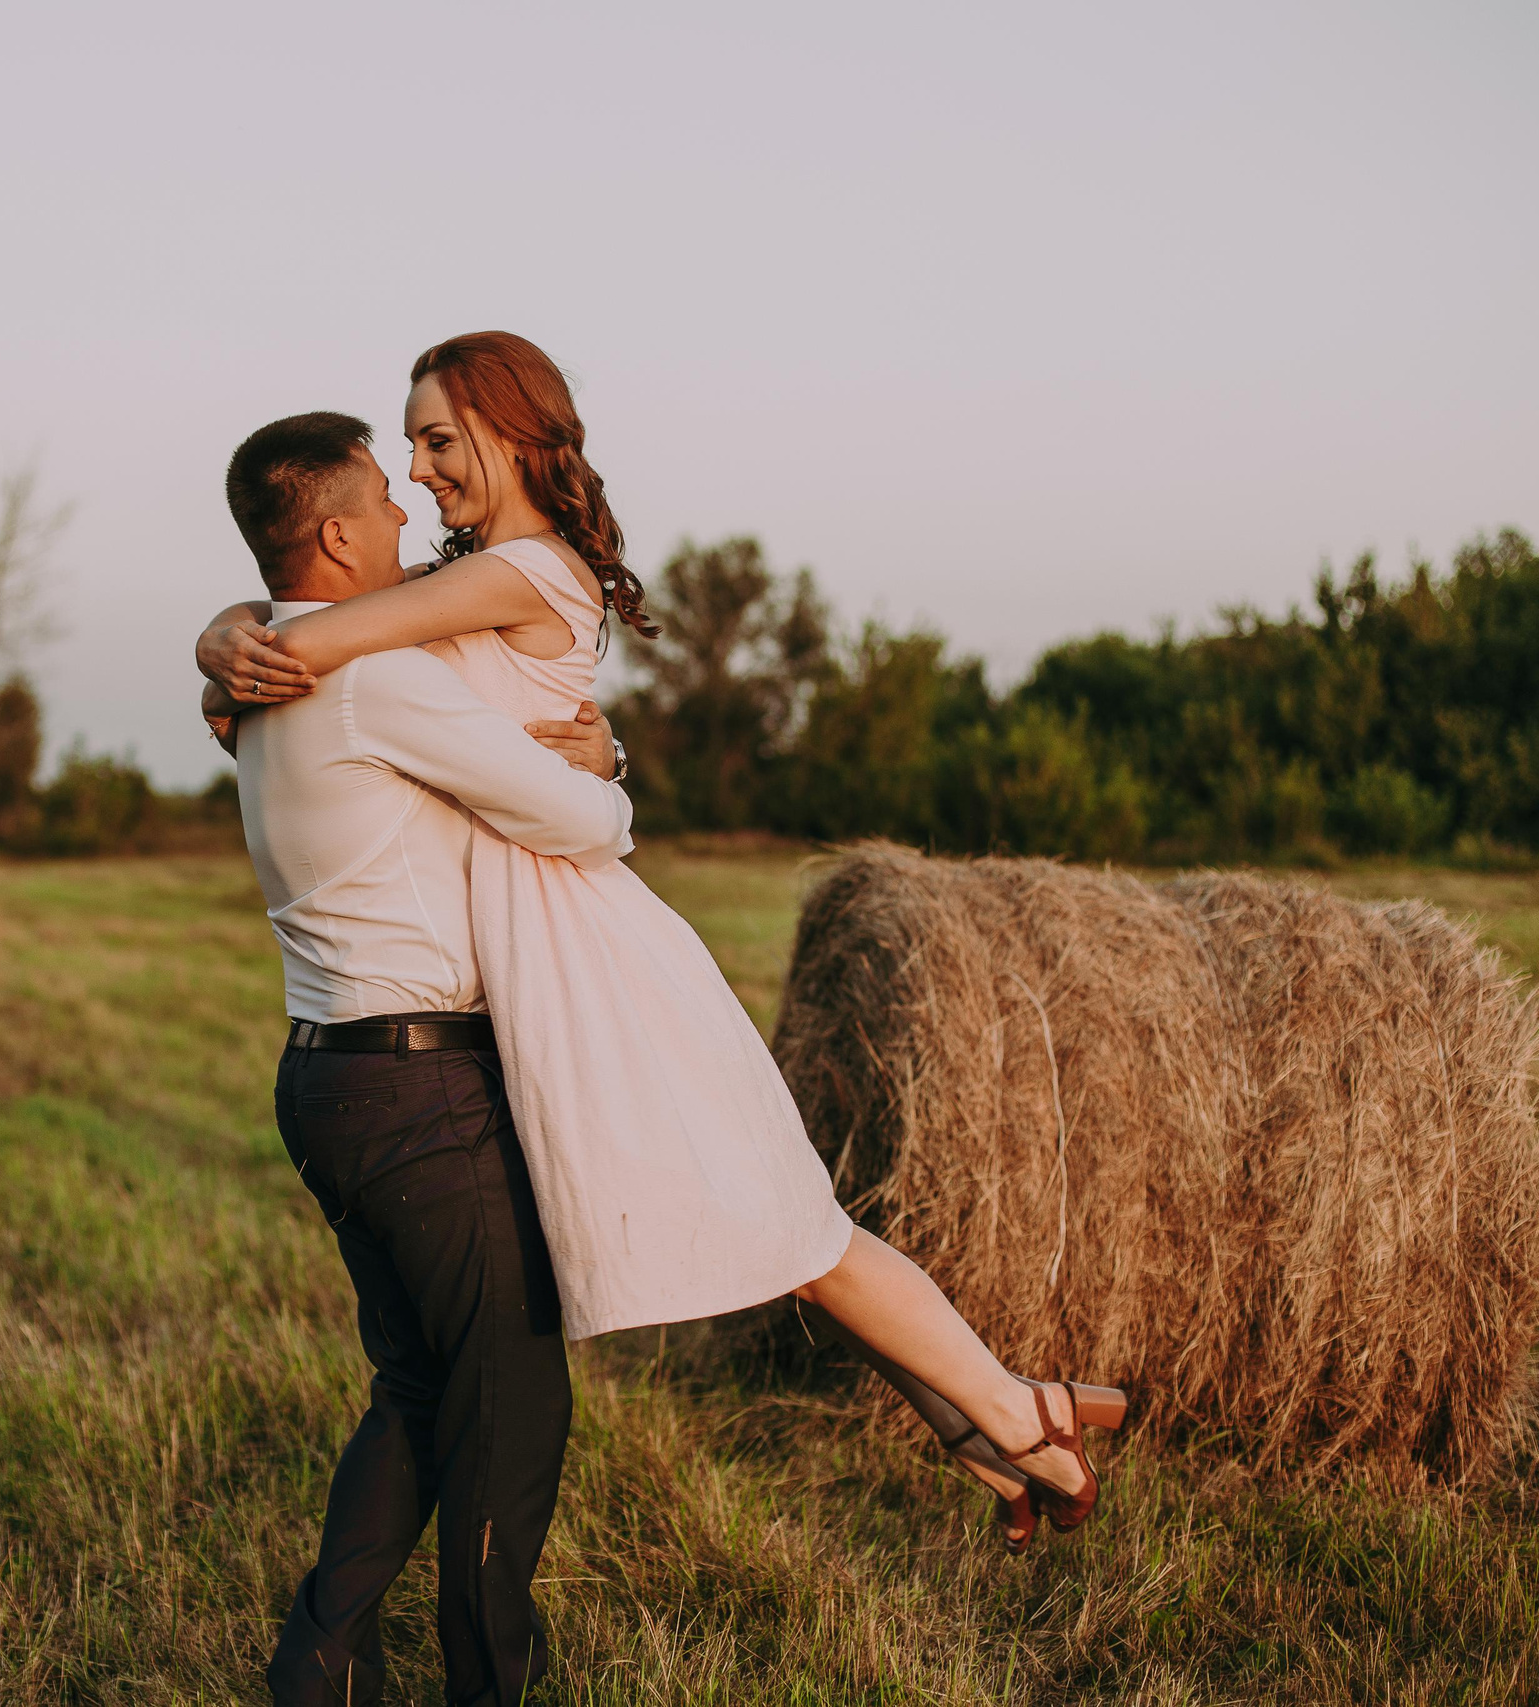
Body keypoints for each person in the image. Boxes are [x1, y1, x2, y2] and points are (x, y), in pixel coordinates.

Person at [200, 334, 1125, 1562]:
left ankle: (1018, 1413)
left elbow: (305, 638)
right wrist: (224, 632)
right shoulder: (460, 576)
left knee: (788, 1225)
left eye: (435, 439)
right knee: (768, 1228)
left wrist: (227, 644)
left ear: (509, 428)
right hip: (530, 942)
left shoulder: (524, 568)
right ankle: (998, 1425)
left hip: (586, 942)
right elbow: (305, 613)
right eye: (407, 447)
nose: (417, 472)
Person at [220, 410, 630, 1706]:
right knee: (511, 1408)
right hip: (422, 1089)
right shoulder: (379, 677)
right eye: (385, 505)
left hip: (327, 1075)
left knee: (416, 1385)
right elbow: (574, 821)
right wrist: (611, 766)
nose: (412, 518)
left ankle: (319, 1666)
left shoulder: (266, 671)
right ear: (336, 534)